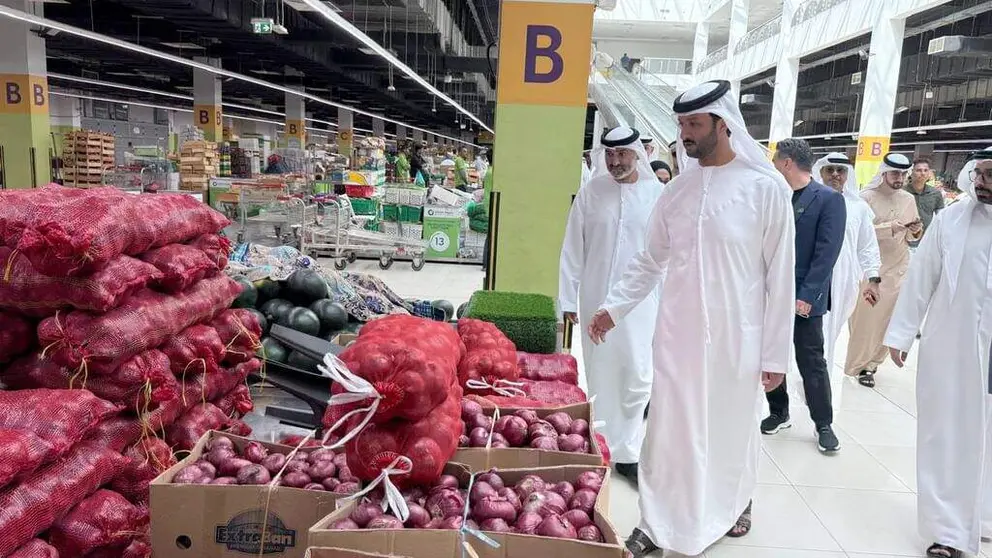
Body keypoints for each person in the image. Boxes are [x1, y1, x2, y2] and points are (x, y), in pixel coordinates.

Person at [586, 80, 795, 557]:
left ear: (723, 125)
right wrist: (613, 307)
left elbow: (779, 277)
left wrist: (775, 354)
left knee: (729, 427)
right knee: (666, 431)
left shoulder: (765, 190)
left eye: (694, 124)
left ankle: (733, 502)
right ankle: (656, 524)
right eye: (681, 124)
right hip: (677, 335)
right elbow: (649, 260)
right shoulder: (676, 191)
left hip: (737, 340)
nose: (684, 134)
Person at [883, 147, 992, 558]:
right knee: (945, 434)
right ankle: (946, 530)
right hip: (951, 348)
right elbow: (922, 277)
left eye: (990, 176)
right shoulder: (950, 220)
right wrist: (901, 334)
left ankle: (981, 516)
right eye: (979, 173)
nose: (981, 183)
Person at [558, 125, 662, 485]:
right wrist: (569, 298)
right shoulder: (591, 193)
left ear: (637, 154)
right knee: (600, 371)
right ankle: (602, 444)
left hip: (641, 303)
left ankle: (629, 450)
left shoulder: (657, 195)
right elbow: (573, 247)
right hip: (595, 296)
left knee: (637, 374)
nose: (616, 161)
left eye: (623, 154)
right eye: (610, 155)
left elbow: (664, 255)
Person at [761, 138, 846, 453]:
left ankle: (823, 423)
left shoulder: (827, 199)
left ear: (786, 163)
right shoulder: (775, 196)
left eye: (776, 161)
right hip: (772, 292)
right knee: (772, 352)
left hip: (804, 296)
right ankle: (778, 411)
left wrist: (808, 294)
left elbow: (827, 253)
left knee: (810, 360)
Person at [845, 153, 923, 388]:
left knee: (890, 319)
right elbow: (858, 233)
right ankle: (857, 363)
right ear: (884, 173)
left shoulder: (908, 199)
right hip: (871, 270)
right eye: (895, 173)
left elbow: (911, 235)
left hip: (898, 268)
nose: (899, 178)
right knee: (866, 320)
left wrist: (916, 230)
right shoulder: (865, 198)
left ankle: (872, 365)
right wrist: (889, 227)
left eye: (902, 174)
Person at [811, 153, 882, 411]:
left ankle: (822, 378)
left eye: (840, 170)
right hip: (810, 279)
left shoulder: (859, 208)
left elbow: (867, 247)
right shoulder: (806, 200)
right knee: (813, 332)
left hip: (844, 281)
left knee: (832, 331)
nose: (835, 175)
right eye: (830, 170)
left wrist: (873, 279)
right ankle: (813, 379)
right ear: (820, 172)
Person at [907, 157, 945, 248]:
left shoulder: (935, 193)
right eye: (919, 170)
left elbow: (941, 216)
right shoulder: (902, 192)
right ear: (912, 172)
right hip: (904, 240)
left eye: (925, 170)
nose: (922, 173)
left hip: (925, 241)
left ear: (929, 173)